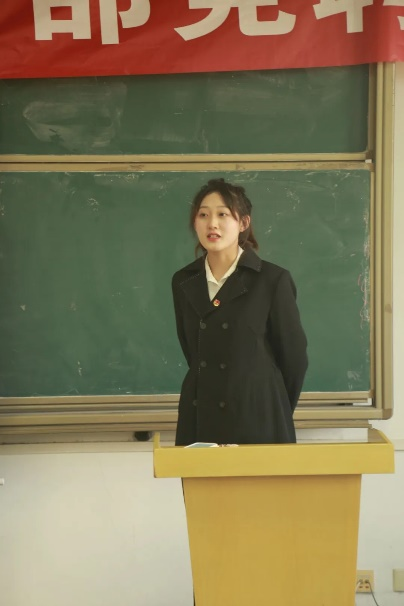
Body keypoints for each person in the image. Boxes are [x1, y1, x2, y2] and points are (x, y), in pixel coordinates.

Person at [172, 178, 308, 446]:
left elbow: (294, 360)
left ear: (243, 223)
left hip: (257, 418)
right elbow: (193, 352)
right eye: (203, 215)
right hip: (201, 417)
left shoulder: (272, 280)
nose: (212, 224)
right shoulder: (184, 281)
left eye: (223, 214)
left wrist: (273, 408)